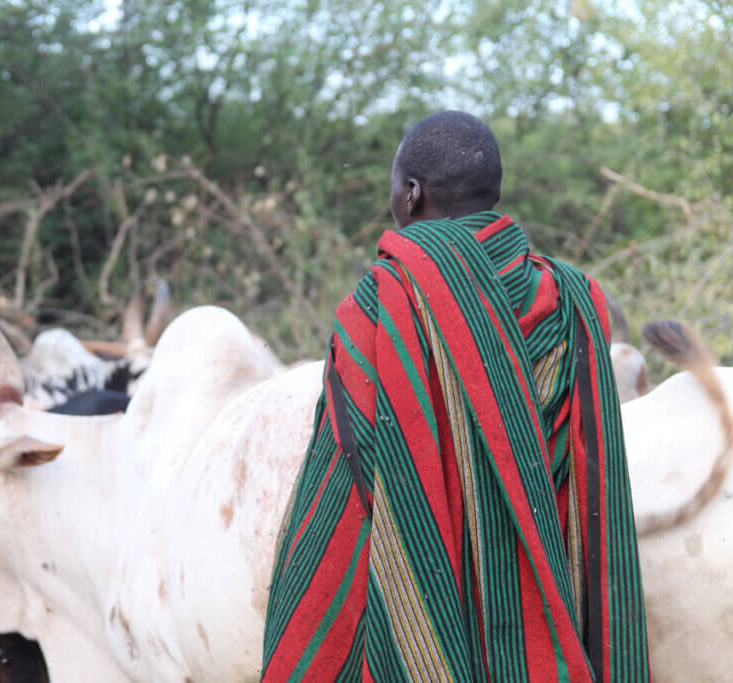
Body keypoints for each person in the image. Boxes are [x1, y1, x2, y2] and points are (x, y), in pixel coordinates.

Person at [260, 111, 650, 682]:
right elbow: (590, 481)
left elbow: (347, 485)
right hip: (551, 616)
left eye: (396, 189)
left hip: (430, 603)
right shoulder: (574, 298)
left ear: (412, 194)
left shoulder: (383, 301)